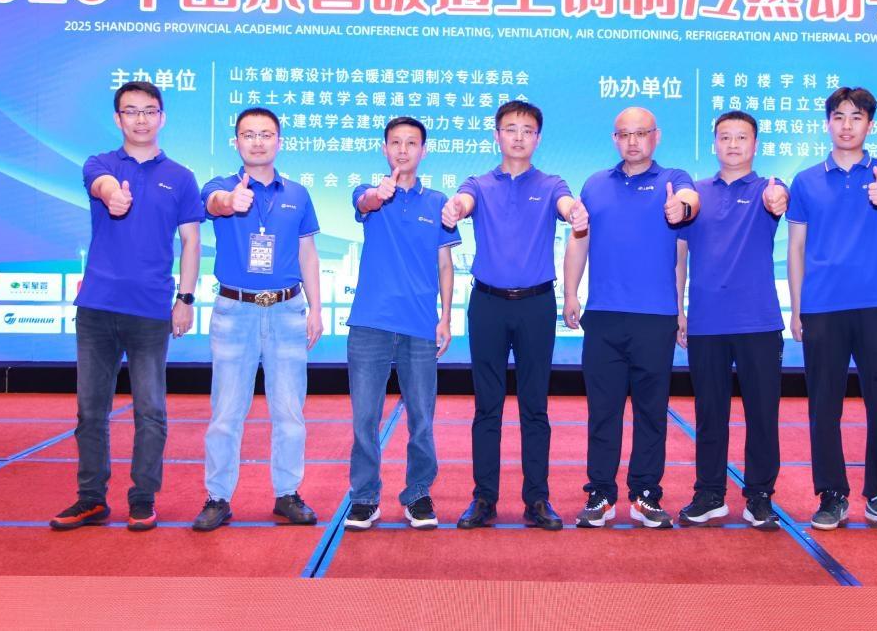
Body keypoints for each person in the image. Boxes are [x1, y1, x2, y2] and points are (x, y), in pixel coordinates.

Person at [50, 81, 201, 532]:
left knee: (150, 411)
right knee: (90, 410)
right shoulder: (100, 165)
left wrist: (186, 298)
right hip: (97, 307)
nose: (141, 119)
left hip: (151, 309)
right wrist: (112, 194)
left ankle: (142, 498)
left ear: (162, 118)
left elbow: (191, 242)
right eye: (131, 111)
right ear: (118, 119)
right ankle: (91, 498)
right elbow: (101, 187)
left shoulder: (181, 176)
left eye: (149, 111)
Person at [442, 101, 586, 531]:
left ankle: (537, 499)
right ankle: (484, 498)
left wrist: (574, 212)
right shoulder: (479, 183)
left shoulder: (552, 183)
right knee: (487, 406)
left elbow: (567, 206)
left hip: (535, 306)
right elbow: (463, 202)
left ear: (537, 139)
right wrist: (455, 208)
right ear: (497, 135)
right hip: (487, 304)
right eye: (510, 129)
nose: (518, 137)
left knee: (534, 406)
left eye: (527, 130)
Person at [786, 86, 877, 534]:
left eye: (856, 117)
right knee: (824, 406)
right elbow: (796, 247)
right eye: (839, 117)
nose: (847, 125)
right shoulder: (805, 180)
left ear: (870, 125)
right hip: (823, 306)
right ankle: (831, 495)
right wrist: (797, 308)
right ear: (827, 123)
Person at [563, 107, 699, 529]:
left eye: (641, 133)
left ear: (656, 136)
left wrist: (682, 207)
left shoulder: (674, 179)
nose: (633, 141)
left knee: (651, 412)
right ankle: (601, 493)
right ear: (614, 139)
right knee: (602, 411)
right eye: (624, 134)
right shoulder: (595, 184)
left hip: (655, 317)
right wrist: (570, 292)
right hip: (603, 315)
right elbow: (579, 240)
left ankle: (645, 494)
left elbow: (689, 208)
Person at [191, 107, 324, 531]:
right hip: (236, 311)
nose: (258, 142)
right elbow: (214, 204)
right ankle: (217, 498)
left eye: (266, 134)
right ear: (236, 142)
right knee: (226, 412)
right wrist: (230, 202)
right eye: (249, 134)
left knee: (289, 412)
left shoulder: (298, 193)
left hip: (287, 311)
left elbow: (307, 254)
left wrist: (317, 309)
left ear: (279, 141)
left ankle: (287, 494)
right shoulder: (219, 186)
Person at [342, 117, 460, 531]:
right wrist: (378, 194)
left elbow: (445, 264)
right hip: (370, 323)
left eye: (412, 143)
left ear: (424, 151)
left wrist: (446, 317)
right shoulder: (368, 191)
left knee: (422, 419)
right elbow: (365, 203)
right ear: (384, 149)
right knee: (365, 418)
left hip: (420, 325)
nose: (403, 150)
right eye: (396, 142)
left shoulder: (439, 202)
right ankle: (364, 497)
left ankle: (418, 494)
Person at [675, 111, 788, 530]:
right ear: (714, 144)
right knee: (709, 413)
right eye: (725, 137)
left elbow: (779, 200)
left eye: (742, 137)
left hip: (758, 321)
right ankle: (709, 494)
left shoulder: (768, 188)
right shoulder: (696, 194)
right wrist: (679, 309)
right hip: (707, 321)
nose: (734, 144)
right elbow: (680, 257)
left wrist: (778, 200)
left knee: (763, 414)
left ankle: (760, 496)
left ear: (755, 145)